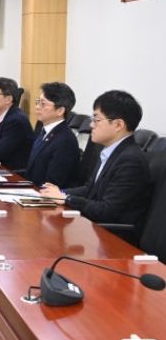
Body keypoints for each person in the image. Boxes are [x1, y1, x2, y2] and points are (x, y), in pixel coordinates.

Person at [41, 90, 151, 241]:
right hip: (96, 231)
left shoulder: (131, 161)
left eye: (96, 120)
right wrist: (59, 192)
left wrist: (66, 198)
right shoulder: (110, 151)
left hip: (114, 240)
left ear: (118, 125)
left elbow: (107, 210)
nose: (91, 125)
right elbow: (90, 189)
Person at [24, 82, 81, 187]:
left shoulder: (65, 141)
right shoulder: (44, 130)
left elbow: (52, 182)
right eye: (38, 102)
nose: (37, 107)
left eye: (43, 104)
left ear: (60, 111)